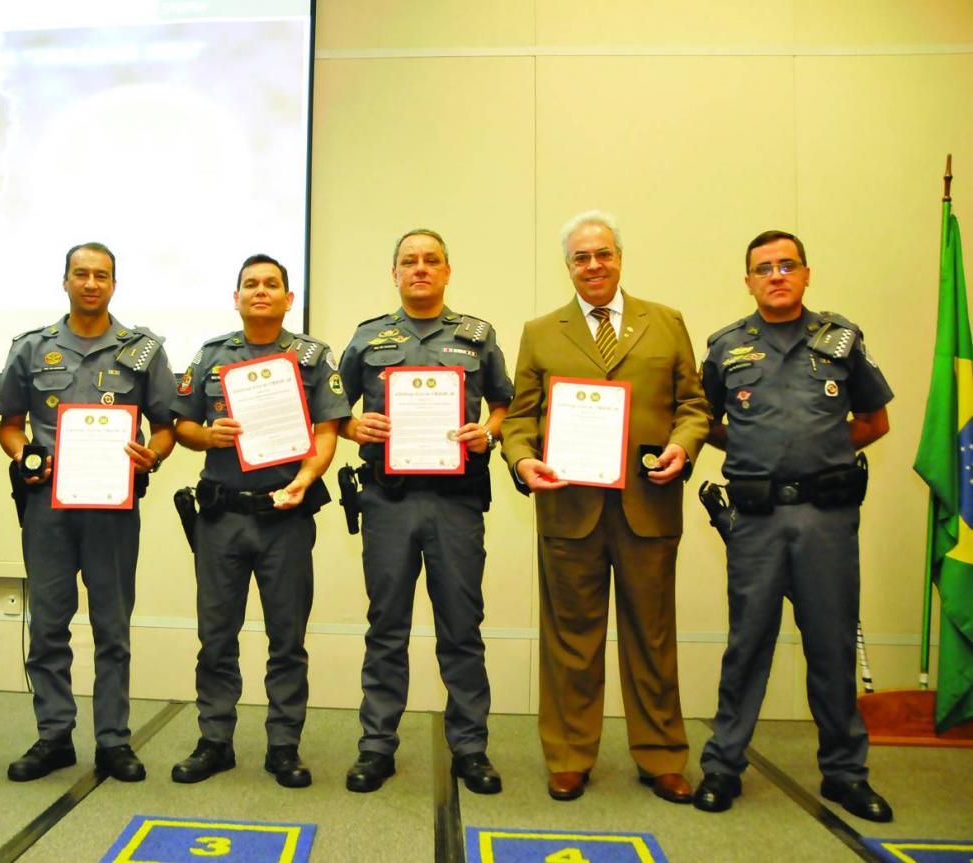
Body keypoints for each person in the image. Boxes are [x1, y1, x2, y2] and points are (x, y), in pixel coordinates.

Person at [500, 210, 708, 803]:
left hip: (649, 504)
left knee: (653, 638)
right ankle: (569, 755)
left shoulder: (666, 322)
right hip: (569, 509)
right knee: (571, 641)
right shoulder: (541, 331)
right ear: (567, 266)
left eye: (603, 254)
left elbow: (693, 405)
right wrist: (522, 460)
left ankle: (662, 755)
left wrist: (683, 445)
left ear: (619, 257)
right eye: (581, 257)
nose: (593, 265)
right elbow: (520, 418)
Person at [692, 230, 893, 822]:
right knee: (747, 645)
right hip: (755, 521)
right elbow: (704, 420)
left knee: (831, 645)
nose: (776, 276)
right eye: (764, 268)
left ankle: (845, 773)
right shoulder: (726, 347)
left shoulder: (841, 339)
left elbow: (874, 421)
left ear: (806, 274)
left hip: (825, 518)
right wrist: (752, 451)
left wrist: (822, 453)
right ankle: (723, 766)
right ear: (747, 281)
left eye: (787, 265)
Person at [339, 228, 513, 795]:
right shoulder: (368, 337)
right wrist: (354, 428)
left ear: (446, 271)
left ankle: (470, 748)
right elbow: (333, 410)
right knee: (386, 626)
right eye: (409, 261)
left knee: (461, 626)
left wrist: (488, 433)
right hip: (388, 500)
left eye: (431, 260)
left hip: (455, 502)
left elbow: (505, 404)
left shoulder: (478, 336)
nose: (420, 268)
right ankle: (376, 746)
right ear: (394, 274)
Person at [0, 242, 177, 783]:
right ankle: (54, 736)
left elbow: (166, 427)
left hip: (112, 511)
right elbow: (9, 425)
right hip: (47, 508)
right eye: (81, 274)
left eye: (101, 275)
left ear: (114, 284)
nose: (91, 283)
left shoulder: (142, 350)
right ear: (66, 282)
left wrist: (153, 454)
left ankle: (113, 741)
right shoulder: (32, 348)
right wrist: (22, 455)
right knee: (48, 626)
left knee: (112, 628)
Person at [170, 253, 349, 788]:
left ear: (289, 299)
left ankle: (284, 746)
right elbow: (181, 426)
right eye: (251, 284)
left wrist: (306, 479)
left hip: (284, 516)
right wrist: (208, 436)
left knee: (287, 639)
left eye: (272, 284)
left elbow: (327, 431)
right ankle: (215, 740)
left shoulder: (312, 357)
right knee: (215, 637)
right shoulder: (211, 356)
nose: (261, 291)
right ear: (237, 298)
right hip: (221, 517)